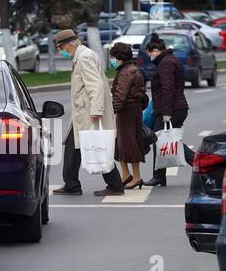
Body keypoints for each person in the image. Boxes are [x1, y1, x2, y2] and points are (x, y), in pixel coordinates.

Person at [52, 29, 124, 197]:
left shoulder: (84, 57)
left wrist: (96, 110)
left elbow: (95, 85)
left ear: (70, 44)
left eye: (62, 47)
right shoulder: (82, 56)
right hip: (82, 113)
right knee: (73, 147)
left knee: (97, 147)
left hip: (88, 113)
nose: (62, 51)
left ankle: (114, 184)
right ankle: (71, 184)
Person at [143, 33, 194, 187]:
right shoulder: (169, 60)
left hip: (171, 110)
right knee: (165, 140)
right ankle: (159, 176)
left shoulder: (166, 63)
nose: (149, 57)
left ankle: (202, 164)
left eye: (149, 53)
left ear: (155, 51)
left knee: (162, 140)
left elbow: (168, 89)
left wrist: (166, 113)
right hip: (174, 108)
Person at [110, 42, 148, 190]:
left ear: (119, 58)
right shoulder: (129, 70)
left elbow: (120, 95)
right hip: (130, 111)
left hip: (128, 113)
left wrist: (112, 110)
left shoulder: (127, 73)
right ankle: (126, 175)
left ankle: (137, 177)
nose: (112, 60)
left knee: (130, 145)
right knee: (120, 145)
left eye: (113, 57)